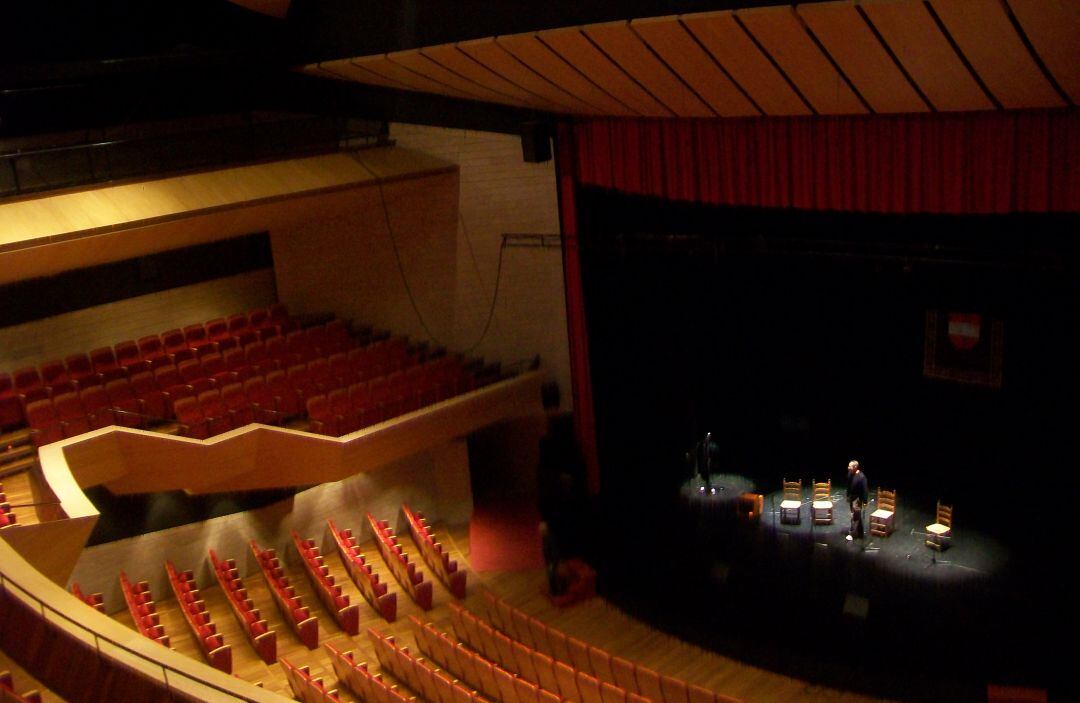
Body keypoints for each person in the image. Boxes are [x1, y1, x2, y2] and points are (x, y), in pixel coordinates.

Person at [845, 459, 868, 541]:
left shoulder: (861, 477)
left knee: (855, 517)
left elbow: (865, 489)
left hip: (858, 499)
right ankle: (860, 532)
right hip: (852, 498)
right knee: (854, 515)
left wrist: (865, 501)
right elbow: (848, 486)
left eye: (850, 466)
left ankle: (853, 534)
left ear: (855, 467)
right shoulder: (850, 474)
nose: (848, 467)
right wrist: (848, 496)